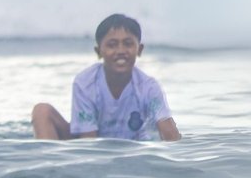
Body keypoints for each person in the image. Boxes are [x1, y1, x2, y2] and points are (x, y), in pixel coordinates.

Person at [32, 14, 181, 141]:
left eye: (128, 44)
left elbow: (169, 132)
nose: (121, 51)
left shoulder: (149, 87)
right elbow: (88, 141)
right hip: (89, 143)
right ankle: (51, 168)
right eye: (112, 45)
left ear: (139, 49)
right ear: (99, 51)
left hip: (134, 147)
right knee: (42, 111)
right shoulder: (85, 83)